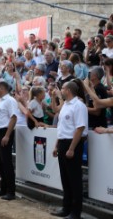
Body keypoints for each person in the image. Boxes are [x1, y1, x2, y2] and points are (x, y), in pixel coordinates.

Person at [51, 80, 88, 219]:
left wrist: (72, 148)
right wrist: (56, 145)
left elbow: (80, 128)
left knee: (74, 179)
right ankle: (66, 208)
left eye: (62, 88)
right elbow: (62, 128)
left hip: (73, 144)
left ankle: (75, 212)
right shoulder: (66, 105)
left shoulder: (79, 105)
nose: (60, 90)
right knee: (65, 178)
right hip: (63, 143)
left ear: (68, 90)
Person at [0, 81, 18, 201]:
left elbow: (13, 117)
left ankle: (11, 191)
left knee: (6, 163)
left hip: (6, 132)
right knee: (1, 163)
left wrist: (7, 135)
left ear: (2, 88)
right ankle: (3, 188)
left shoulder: (10, 100)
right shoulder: (1, 101)